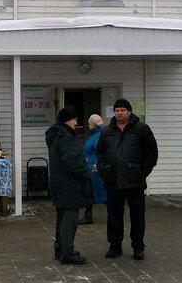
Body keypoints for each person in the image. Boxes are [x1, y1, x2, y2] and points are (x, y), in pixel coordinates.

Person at [96, 98, 158, 261]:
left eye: (122, 110)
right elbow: (100, 153)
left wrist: (142, 172)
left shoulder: (142, 129)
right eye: (117, 110)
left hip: (134, 182)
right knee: (114, 217)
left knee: (137, 217)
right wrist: (104, 170)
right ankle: (114, 246)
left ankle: (138, 247)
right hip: (113, 181)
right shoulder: (106, 131)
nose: (119, 113)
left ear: (129, 111)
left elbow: (151, 153)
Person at [46, 106, 91, 265]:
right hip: (69, 184)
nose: (75, 123)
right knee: (69, 219)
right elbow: (72, 161)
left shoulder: (55, 136)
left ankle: (60, 249)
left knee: (61, 217)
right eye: (74, 119)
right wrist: (84, 174)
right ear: (67, 120)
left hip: (58, 183)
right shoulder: (65, 137)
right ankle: (67, 252)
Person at [79, 113, 106, 225]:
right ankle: (88, 215)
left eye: (89, 123)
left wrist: (95, 165)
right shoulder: (95, 134)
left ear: (94, 124)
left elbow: (99, 151)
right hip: (90, 169)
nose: (88, 125)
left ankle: (114, 215)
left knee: (99, 193)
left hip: (94, 171)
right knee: (90, 193)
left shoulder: (98, 136)